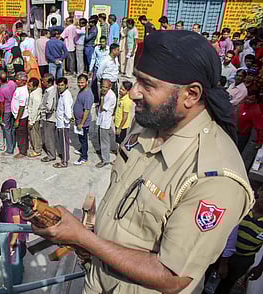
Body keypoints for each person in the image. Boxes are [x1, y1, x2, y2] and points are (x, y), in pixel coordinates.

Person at [32, 30, 254, 294]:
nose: (134, 92)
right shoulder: (149, 122)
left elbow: (172, 277)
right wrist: (88, 229)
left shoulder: (215, 179)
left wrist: (82, 237)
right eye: (136, 80)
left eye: (147, 85)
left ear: (191, 95)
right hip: (97, 279)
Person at [213, 185, 263, 294]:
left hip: (243, 259)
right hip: (221, 251)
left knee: (226, 285)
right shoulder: (244, 206)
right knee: (208, 276)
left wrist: (260, 268)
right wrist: (223, 261)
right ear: (259, 191)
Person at [0, 179, 28, 285]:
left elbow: (17, 226)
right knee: (17, 259)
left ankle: (15, 285)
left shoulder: (13, 208)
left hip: (14, 238)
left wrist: (12, 242)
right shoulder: (8, 204)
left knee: (14, 262)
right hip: (12, 236)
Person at [73, 74, 94, 165]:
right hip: (78, 121)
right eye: (79, 82)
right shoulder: (81, 91)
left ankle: (84, 157)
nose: (80, 84)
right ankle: (82, 149)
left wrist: (81, 123)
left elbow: (87, 111)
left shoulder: (88, 95)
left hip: (83, 123)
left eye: (82, 82)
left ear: (87, 82)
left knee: (83, 139)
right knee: (81, 138)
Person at [95, 79, 116, 168]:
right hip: (102, 119)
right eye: (103, 86)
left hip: (106, 121)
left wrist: (102, 98)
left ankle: (105, 159)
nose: (103, 88)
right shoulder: (105, 93)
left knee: (105, 141)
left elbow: (103, 107)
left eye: (106, 87)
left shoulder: (110, 96)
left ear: (110, 87)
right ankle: (103, 152)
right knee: (101, 138)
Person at [53, 77, 73, 168]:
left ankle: (64, 162)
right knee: (62, 141)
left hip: (63, 124)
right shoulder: (62, 94)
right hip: (60, 122)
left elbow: (68, 111)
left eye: (62, 85)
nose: (60, 87)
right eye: (59, 85)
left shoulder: (66, 96)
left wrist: (67, 120)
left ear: (66, 85)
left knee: (64, 143)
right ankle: (65, 157)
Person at [39, 73, 58, 163]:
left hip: (49, 118)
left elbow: (49, 107)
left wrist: (42, 109)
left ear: (49, 82)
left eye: (44, 81)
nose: (42, 83)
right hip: (50, 117)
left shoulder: (51, 92)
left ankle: (51, 155)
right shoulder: (50, 90)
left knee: (49, 137)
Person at [12, 72, 30, 159]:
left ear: (23, 81)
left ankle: (22, 151)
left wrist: (17, 120)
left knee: (21, 134)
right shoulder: (19, 88)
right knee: (21, 133)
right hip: (17, 115)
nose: (16, 81)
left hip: (21, 117)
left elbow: (21, 107)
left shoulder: (23, 92)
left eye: (18, 80)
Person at [0, 72, 18, 155]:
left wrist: (1, 116)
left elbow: (1, 105)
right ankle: (13, 144)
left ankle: (10, 149)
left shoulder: (1, 90)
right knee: (12, 128)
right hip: (13, 109)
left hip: (6, 110)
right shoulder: (12, 84)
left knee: (7, 129)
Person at [89, 36, 109, 104]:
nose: (102, 43)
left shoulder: (109, 49)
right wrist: (90, 69)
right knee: (93, 84)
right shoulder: (96, 48)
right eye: (101, 42)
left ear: (106, 42)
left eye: (103, 42)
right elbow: (93, 58)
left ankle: (103, 100)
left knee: (103, 85)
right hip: (96, 68)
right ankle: (96, 99)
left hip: (105, 70)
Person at [27, 78, 43, 157]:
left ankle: (37, 150)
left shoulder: (36, 96)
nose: (28, 87)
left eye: (30, 85)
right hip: (33, 117)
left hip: (34, 118)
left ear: (35, 86)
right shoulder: (37, 91)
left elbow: (35, 110)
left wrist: (31, 121)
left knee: (35, 135)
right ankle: (35, 147)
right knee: (34, 134)